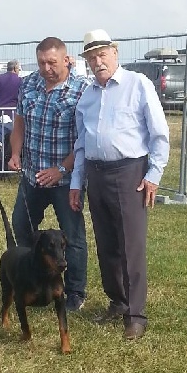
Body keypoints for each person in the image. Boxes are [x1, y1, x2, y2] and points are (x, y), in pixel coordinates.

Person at [69, 29, 170, 339]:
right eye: (91, 57)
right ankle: (118, 301)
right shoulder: (87, 96)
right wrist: (77, 183)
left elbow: (159, 133)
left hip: (129, 173)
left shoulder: (138, 84)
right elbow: (82, 143)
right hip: (97, 174)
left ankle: (136, 315)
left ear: (115, 53)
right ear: (86, 61)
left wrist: (153, 175)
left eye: (102, 54)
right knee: (107, 244)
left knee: (131, 245)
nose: (97, 61)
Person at [8, 37, 88, 312]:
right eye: (41, 62)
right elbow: (19, 123)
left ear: (66, 60)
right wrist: (15, 153)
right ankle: (34, 278)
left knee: (73, 237)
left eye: (52, 62)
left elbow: (84, 140)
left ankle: (74, 292)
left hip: (65, 180)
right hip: (32, 175)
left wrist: (61, 169)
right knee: (22, 225)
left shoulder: (82, 90)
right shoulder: (29, 83)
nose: (46, 68)